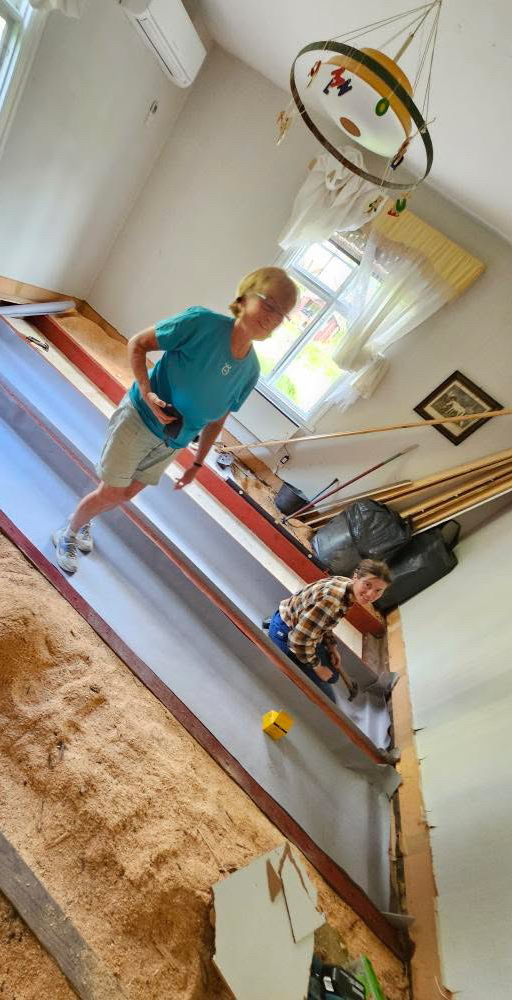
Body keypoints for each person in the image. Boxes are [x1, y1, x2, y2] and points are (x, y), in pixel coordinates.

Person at [53, 267, 298, 574]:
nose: (272, 317)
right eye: (269, 304)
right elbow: (137, 343)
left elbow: (218, 418)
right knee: (111, 491)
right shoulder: (202, 323)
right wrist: (147, 392)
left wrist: (197, 462)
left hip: (173, 441)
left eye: (281, 314)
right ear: (247, 295)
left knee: (126, 494)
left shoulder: (250, 371)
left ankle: (85, 519)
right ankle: (69, 531)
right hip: (140, 419)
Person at [266, 559, 392, 703]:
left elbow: (325, 622)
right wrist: (317, 667)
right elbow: (298, 641)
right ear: (356, 577)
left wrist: (332, 647)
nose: (370, 594)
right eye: (367, 585)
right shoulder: (332, 600)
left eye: (378, 590)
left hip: (300, 624)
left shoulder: (346, 585)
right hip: (287, 634)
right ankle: (272, 633)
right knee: (325, 692)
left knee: (332, 676)